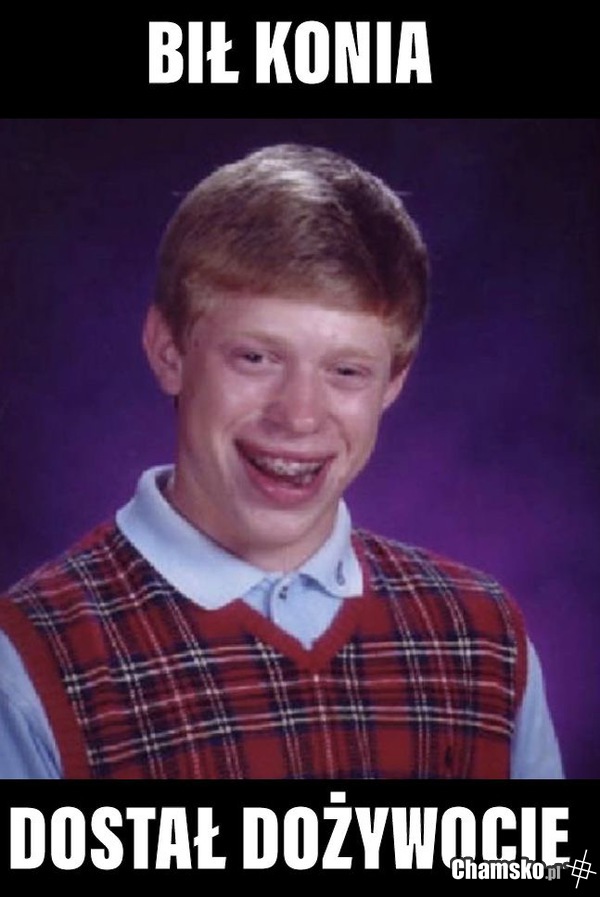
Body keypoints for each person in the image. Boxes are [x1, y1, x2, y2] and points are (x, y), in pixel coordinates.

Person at [0, 143, 563, 779]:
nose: (299, 415)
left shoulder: (484, 639)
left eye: (346, 371)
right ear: (168, 351)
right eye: (256, 358)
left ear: (394, 382)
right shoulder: (29, 663)